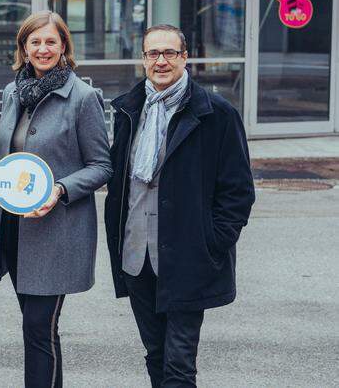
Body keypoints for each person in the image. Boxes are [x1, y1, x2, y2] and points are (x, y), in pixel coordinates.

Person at [104, 24, 255, 387]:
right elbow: (118, 179)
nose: (161, 61)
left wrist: (212, 240)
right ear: (143, 60)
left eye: (169, 53)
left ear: (185, 58)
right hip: (136, 257)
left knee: (179, 363)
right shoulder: (129, 110)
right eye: (153, 53)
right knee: (155, 354)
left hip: (189, 258)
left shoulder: (216, 113)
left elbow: (238, 191)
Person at [0, 11, 112, 387]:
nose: (42, 49)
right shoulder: (13, 93)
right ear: (24, 48)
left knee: (40, 328)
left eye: (50, 42)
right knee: (37, 329)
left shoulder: (83, 97)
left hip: (57, 229)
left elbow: (102, 165)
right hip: (14, 227)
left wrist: (59, 189)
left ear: (64, 47)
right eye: (35, 42)